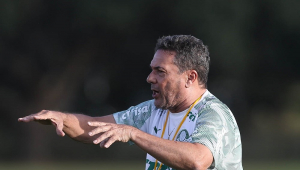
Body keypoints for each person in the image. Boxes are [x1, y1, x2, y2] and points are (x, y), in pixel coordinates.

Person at [19, 35, 243, 170]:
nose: (150, 78)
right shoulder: (153, 110)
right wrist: (62, 118)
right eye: (151, 70)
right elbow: (94, 128)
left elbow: (197, 160)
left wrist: (134, 133)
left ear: (190, 77)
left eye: (160, 71)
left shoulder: (213, 114)